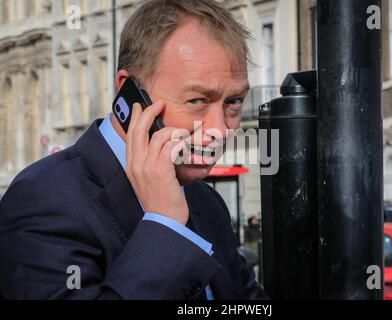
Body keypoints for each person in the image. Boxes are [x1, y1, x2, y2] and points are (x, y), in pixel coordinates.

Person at [0, 0, 267, 300]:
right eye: (197, 101)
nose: (219, 129)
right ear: (131, 94)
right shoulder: (42, 201)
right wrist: (164, 226)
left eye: (232, 102)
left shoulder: (206, 202)